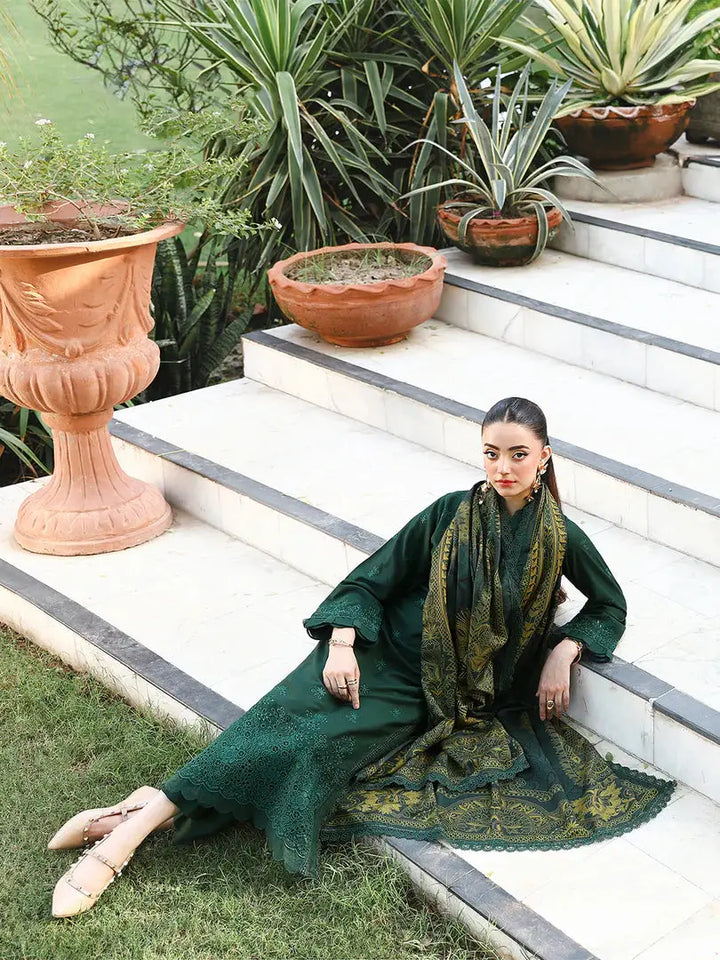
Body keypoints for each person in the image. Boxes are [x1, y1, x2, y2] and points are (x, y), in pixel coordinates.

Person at [48, 397, 675, 918]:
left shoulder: (561, 537)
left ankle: (138, 810)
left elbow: (609, 606)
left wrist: (563, 651)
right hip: (375, 655)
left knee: (319, 750)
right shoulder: (448, 514)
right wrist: (342, 644)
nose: (503, 466)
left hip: (430, 692)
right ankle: (123, 840)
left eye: (518, 453)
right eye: (491, 452)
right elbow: (370, 580)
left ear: (544, 457)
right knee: (276, 726)